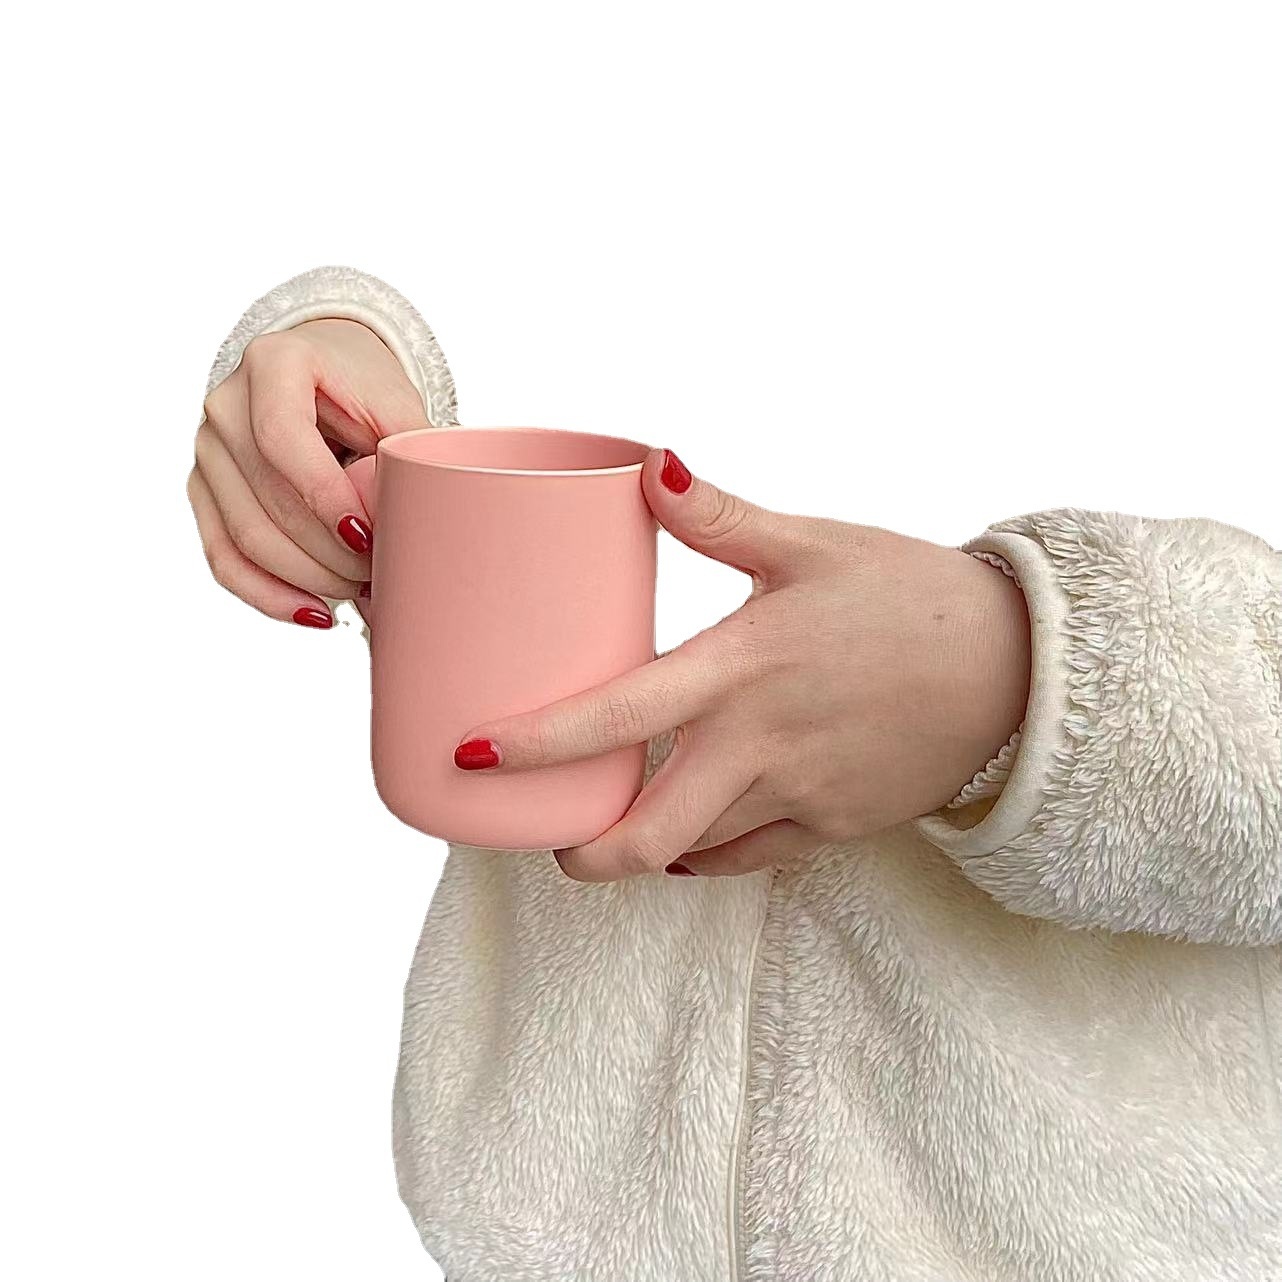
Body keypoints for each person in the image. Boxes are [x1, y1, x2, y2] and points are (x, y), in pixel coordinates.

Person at [187, 266, 1281, 1282]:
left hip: (1090, 1232)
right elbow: (413, 412)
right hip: (557, 1215)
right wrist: (334, 358)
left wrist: (1033, 671)